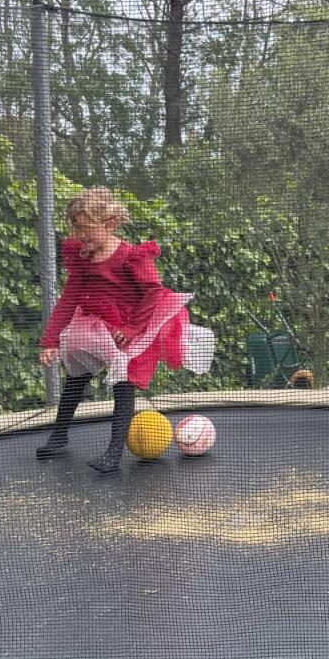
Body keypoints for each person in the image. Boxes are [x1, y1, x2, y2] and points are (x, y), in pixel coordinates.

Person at [37, 187, 211, 474]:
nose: (80, 236)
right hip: (95, 324)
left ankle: (114, 453)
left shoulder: (132, 257)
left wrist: (131, 328)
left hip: (133, 325)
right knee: (76, 378)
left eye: (86, 229)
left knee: (123, 382)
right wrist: (50, 340)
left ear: (109, 224)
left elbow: (154, 293)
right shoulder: (82, 257)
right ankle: (59, 436)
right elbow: (69, 299)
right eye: (76, 229)